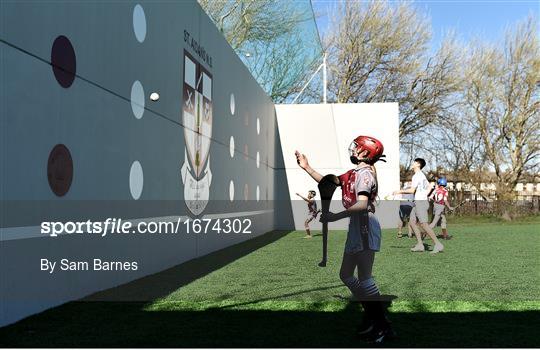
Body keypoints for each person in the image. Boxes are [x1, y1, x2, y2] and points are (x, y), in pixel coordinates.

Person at [295, 135, 394, 344]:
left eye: (356, 147)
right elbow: (328, 183)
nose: (353, 150)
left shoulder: (366, 174)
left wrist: (335, 216)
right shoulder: (352, 173)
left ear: (365, 153)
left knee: (365, 278)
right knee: (346, 275)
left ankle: (382, 326)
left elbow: (362, 204)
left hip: (365, 226)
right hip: (356, 227)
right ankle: (373, 317)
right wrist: (307, 167)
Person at [393, 158, 444, 254]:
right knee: (412, 222)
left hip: (420, 202)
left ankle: (438, 244)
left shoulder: (417, 176)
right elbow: (429, 187)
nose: (412, 164)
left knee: (424, 224)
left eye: (414, 162)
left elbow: (412, 190)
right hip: (418, 202)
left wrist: (399, 191)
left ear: (418, 164)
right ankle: (420, 245)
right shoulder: (422, 175)